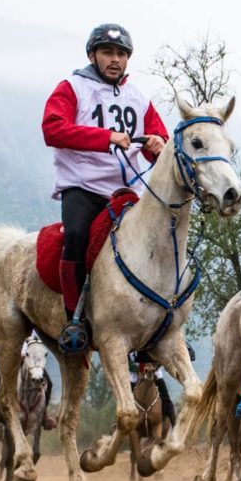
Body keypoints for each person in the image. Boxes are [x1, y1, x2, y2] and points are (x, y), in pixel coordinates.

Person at [42, 23, 169, 353]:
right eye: (108, 52)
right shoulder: (72, 87)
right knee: (77, 235)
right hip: (82, 186)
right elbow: (52, 129)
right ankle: (74, 320)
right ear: (92, 55)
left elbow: (161, 144)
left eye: (121, 54)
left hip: (126, 191)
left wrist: (158, 143)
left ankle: (158, 318)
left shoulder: (139, 98)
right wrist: (105, 138)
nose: (115, 60)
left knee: (159, 239)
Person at [128, 351, 175, 425]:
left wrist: (155, 366)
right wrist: (136, 368)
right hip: (135, 372)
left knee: (166, 397)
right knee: (125, 400)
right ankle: (117, 424)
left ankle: (173, 421)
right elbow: (124, 359)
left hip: (154, 370)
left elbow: (163, 355)